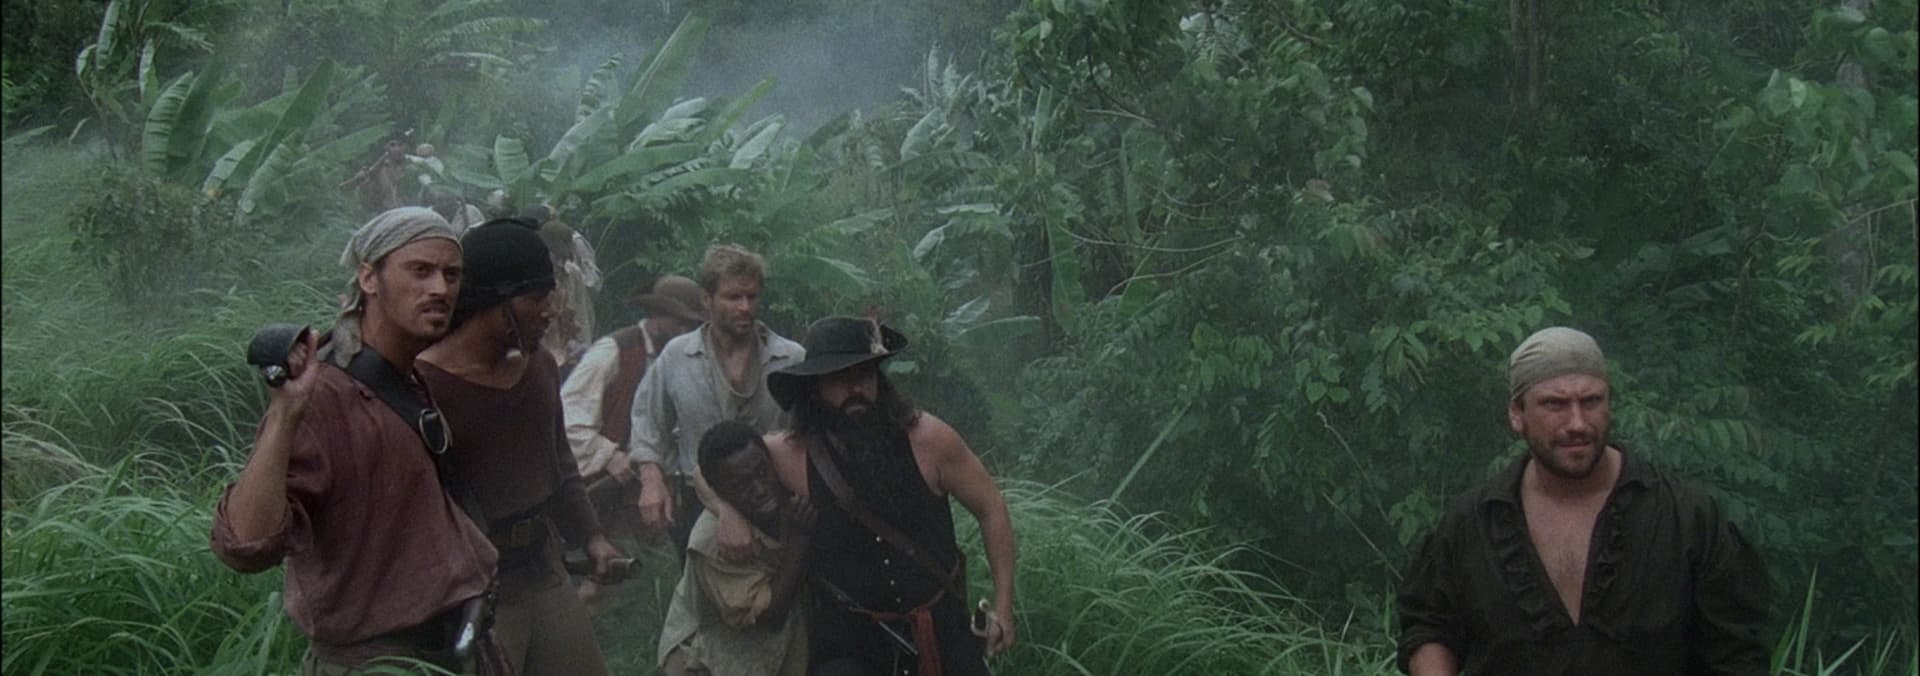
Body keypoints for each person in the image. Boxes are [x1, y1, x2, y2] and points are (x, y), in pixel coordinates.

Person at [210, 207, 502, 673]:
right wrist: (285, 413)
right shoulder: (324, 394)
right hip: (381, 662)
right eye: (420, 271)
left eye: (451, 275)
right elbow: (246, 544)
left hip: (455, 647)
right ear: (369, 278)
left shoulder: (406, 377)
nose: (440, 289)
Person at [1396, 327, 1772, 676]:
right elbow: (1429, 626)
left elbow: (1736, 652)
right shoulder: (1472, 523)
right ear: (1517, 414)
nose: (1577, 423)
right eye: (1554, 404)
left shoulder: (1685, 517)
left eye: (1591, 401)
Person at [756, 315, 1017, 676]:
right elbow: (715, 469)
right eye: (839, 378)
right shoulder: (789, 454)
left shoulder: (929, 439)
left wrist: (1003, 607)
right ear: (815, 387)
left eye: (864, 374)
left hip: (942, 632)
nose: (855, 388)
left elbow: (992, 509)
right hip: (848, 645)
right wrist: (726, 511)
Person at [417, 220, 623, 675]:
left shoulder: (539, 368)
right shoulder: (424, 387)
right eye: (537, 298)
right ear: (497, 301)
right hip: (475, 590)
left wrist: (591, 536)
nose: (550, 311)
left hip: (543, 569)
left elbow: (561, 463)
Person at [628, 244, 805, 552]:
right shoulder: (678, 356)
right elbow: (648, 422)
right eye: (733, 297)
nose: (745, 307)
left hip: (774, 498)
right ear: (707, 299)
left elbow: (810, 432)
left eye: (752, 296)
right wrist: (651, 479)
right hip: (700, 500)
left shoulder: (790, 358)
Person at [560, 274, 707, 606]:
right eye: (680, 321)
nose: (687, 330)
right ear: (655, 315)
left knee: (656, 589)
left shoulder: (688, 358)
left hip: (660, 501)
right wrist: (611, 455)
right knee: (600, 589)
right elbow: (568, 421)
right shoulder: (615, 350)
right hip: (605, 500)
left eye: (692, 323)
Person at [657, 421, 815, 676]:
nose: (760, 489)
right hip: (708, 656)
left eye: (763, 472)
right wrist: (798, 541)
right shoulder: (711, 543)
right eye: (742, 485)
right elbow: (769, 618)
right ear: (719, 492)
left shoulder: (786, 494)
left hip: (770, 646)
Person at [533, 216, 602, 370]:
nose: (559, 263)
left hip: (569, 348)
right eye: (556, 258)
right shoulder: (534, 276)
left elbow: (583, 313)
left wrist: (584, 348)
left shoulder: (573, 273)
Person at [343, 133, 412, 214]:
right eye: (392, 145)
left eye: (400, 145)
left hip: (410, 211)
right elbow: (346, 187)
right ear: (386, 147)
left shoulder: (413, 166)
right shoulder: (378, 168)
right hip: (384, 212)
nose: (396, 149)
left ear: (405, 147)